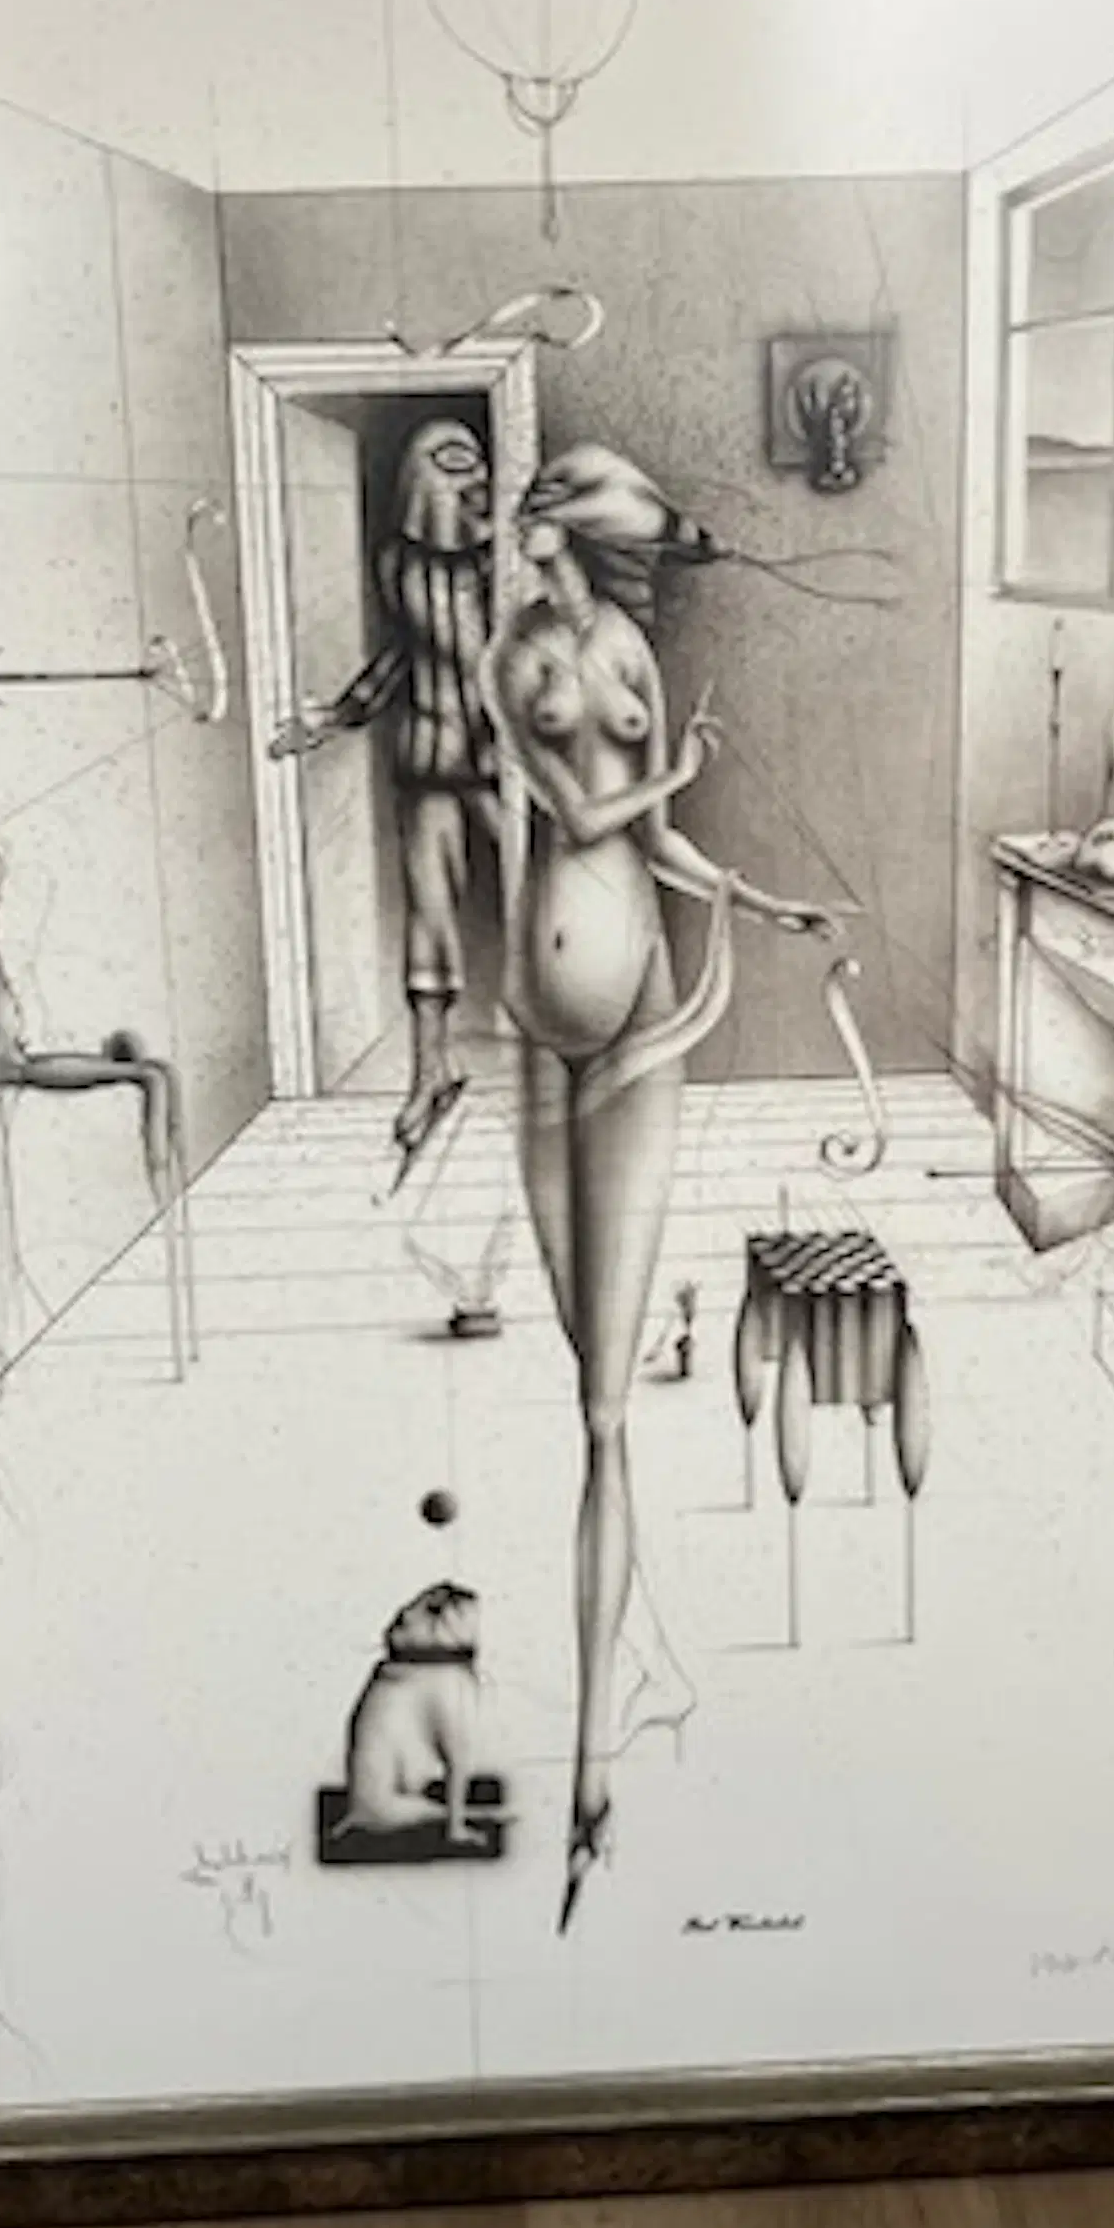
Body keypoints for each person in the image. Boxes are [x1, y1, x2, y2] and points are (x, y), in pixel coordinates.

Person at [484, 445, 840, 1928]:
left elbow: (657, 839)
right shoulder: (509, 658)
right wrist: (677, 770)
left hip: (633, 1010)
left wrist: (755, 896)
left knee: (605, 1407)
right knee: (587, 1377)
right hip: (539, 1016)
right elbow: (577, 817)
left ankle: (589, 1763)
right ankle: (604, 1708)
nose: (552, 548)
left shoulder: (628, 641)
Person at [269, 415, 504, 1172]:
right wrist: (337, 717)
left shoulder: (505, 559)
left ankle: (572, 1062)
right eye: (456, 465)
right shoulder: (397, 562)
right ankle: (430, 1070)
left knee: (548, 899)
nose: (475, 481)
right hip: (428, 756)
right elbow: (404, 654)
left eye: (477, 465)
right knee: (429, 916)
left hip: (506, 760)